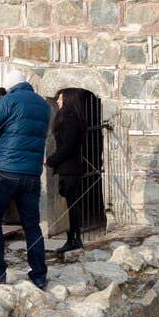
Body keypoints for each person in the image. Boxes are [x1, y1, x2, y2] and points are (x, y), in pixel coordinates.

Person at [0, 68, 51, 289]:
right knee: (32, 225)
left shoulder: (10, 100)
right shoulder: (44, 105)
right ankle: (38, 274)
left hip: (6, 170)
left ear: (9, 86)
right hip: (32, 173)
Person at [47, 89, 97, 258]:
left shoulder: (70, 119)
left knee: (72, 204)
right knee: (71, 202)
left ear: (68, 99)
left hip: (70, 168)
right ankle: (74, 237)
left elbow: (67, 147)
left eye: (60, 98)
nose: (58, 101)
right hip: (67, 167)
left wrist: (51, 160)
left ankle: (74, 239)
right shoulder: (68, 118)